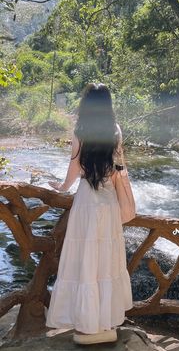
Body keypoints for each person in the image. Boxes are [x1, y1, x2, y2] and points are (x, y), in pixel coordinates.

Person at [46, 83, 133, 345]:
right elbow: (119, 170)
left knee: (84, 262)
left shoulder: (80, 131)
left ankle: (86, 324)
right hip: (107, 203)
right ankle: (103, 322)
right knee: (105, 263)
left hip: (85, 202)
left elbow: (74, 172)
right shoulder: (115, 131)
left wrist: (60, 187)